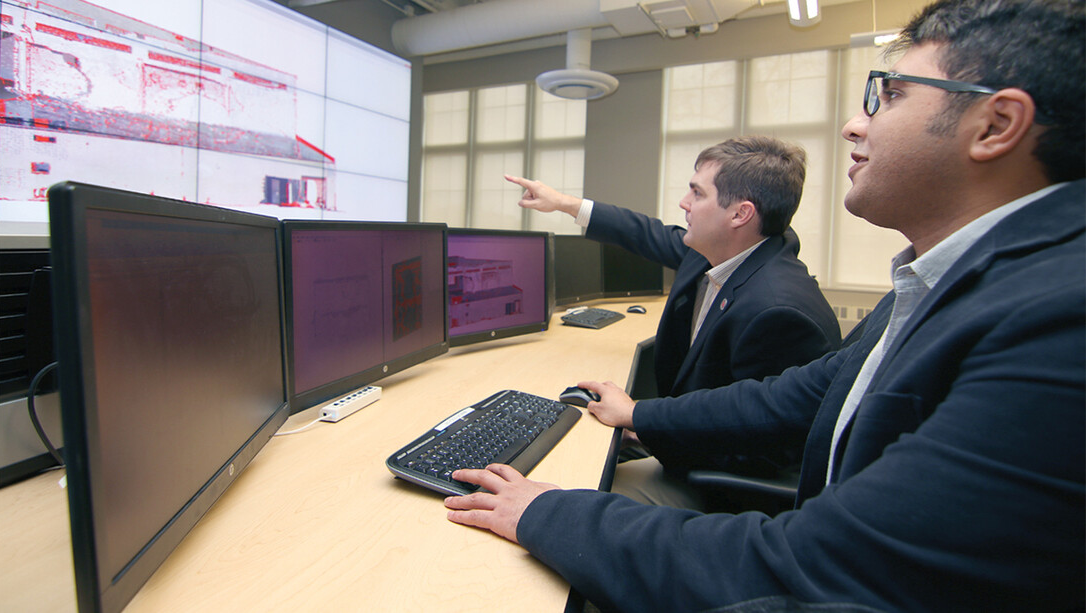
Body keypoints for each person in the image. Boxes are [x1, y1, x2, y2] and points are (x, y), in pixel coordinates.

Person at [444, 0, 1086, 610]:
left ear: (996, 125)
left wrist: (546, 512)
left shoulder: (1057, 322)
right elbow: (795, 396)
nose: (854, 124)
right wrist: (642, 411)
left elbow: (823, 573)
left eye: (889, 95)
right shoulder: (947, 281)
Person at [508, 136, 840, 402]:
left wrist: (639, 421)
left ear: (740, 214)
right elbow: (642, 232)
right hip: (673, 432)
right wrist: (564, 203)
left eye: (697, 193)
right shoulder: (717, 252)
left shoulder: (778, 311)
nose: (684, 202)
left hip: (705, 472)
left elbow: (749, 434)